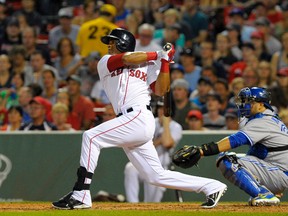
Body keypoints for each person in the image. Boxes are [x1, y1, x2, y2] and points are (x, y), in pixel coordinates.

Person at [52, 28, 227, 210]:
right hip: (129, 119)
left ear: (123, 42)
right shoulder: (105, 62)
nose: (109, 45)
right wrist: (158, 54)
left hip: (138, 117)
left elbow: (161, 90)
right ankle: (212, 186)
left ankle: (81, 193)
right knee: (155, 176)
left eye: (112, 41)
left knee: (91, 137)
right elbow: (128, 59)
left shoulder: (147, 64)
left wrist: (165, 62)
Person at [173, 87, 287, 206]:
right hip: (278, 170)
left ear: (261, 105)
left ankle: (263, 194)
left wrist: (203, 151)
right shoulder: (269, 119)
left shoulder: (263, 121)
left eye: (249, 101)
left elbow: (236, 140)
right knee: (244, 156)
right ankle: (269, 192)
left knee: (227, 160)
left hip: (280, 173)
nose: (245, 105)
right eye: (244, 101)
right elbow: (258, 153)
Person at [124, 100, 183, 202]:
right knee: (130, 168)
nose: (161, 111)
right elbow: (143, 142)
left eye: (164, 109)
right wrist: (159, 140)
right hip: (144, 162)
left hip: (160, 167)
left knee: (152, 202)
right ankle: (132, 204)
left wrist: (165, 124)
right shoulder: (151, 122)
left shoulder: (176, 126)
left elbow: (167, 143)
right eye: (159, 108)